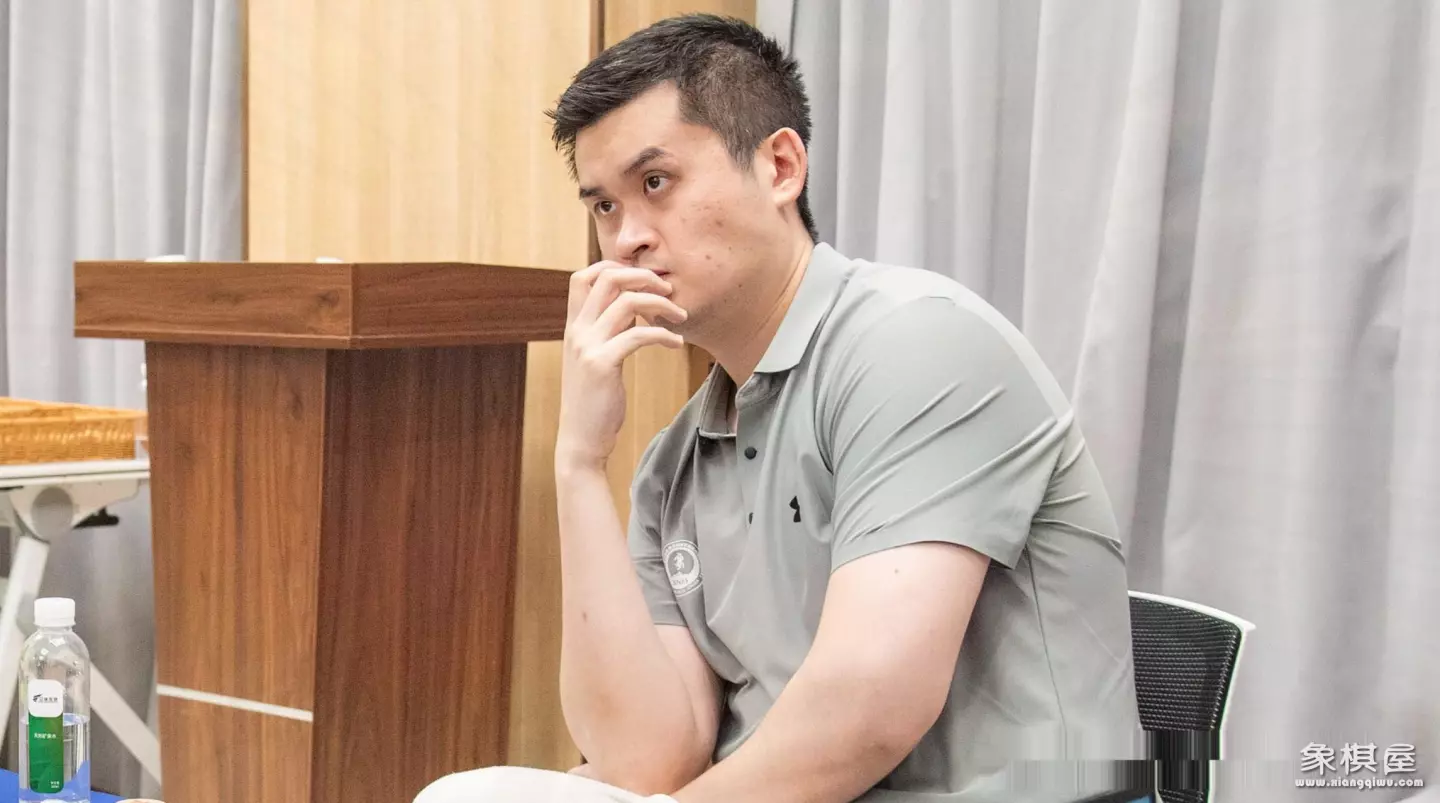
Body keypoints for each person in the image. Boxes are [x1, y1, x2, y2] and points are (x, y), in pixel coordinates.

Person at [415, 13, 1147, 803]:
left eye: (655, 183)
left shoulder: (919, 346)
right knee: (466, 793)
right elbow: (642, 763)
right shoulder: (675, 460)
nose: (625, 240)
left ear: (780, 166)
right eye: (603, 207)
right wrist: (580, 463)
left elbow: (868, 712)